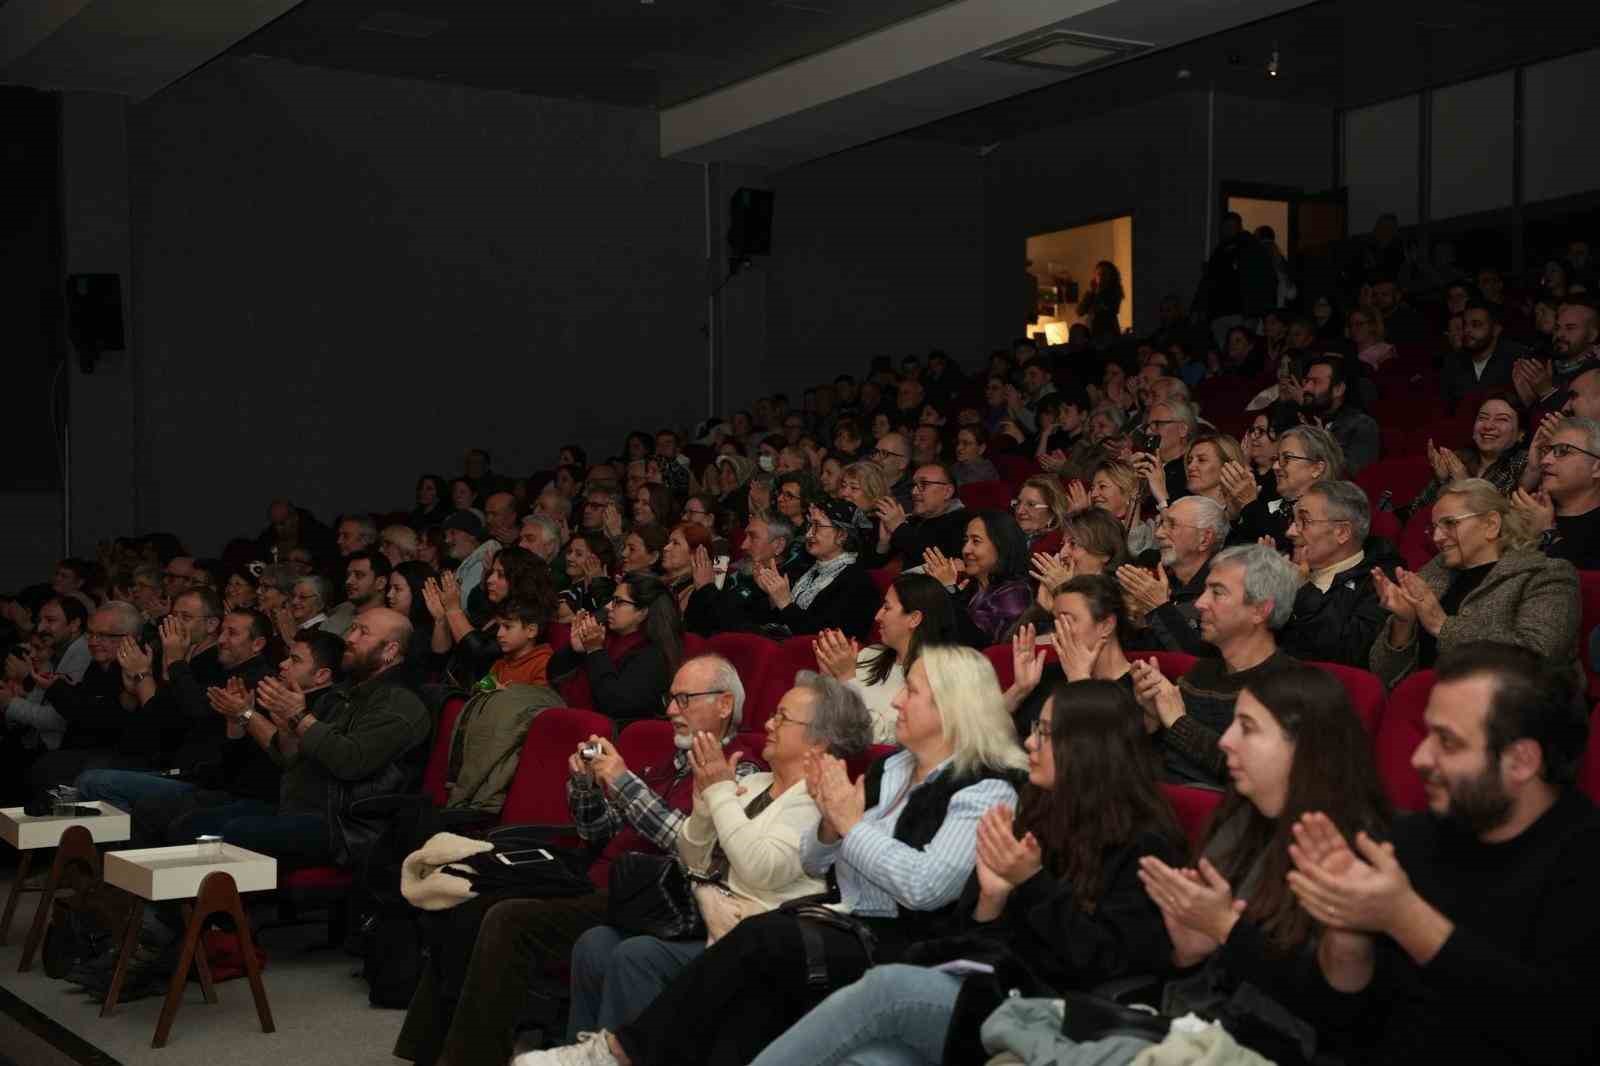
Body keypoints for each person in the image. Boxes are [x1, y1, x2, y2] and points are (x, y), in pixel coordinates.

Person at [527, 646, 1026, 1066]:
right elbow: (818, 860)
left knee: (758, 939)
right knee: (742, 994)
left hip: (911, 946)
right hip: (845, 922)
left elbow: (923, 887)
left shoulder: (985, 789)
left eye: (912, 690)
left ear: (952, 706)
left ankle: (619, 1051)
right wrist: (832, 828)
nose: (895, 700)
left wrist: (848, 827)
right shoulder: (893, 769)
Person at [745, 678, 1186, 1066]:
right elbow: (982, 942)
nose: (1030, 743)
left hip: (1056, 1014)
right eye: (1034, 730)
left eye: (1046, 734)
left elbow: (1104, 965)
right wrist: (991, 903)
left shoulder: (1146, 845)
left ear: (1089, 749)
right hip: (997, 991)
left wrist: (1031, 884)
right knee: (873, 1060)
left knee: (887, 987)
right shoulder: (1038, 813)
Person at [395, 656, 763, 1066]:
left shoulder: (742, 770)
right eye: (671, 699)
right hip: (598, 879)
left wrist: (623, 782)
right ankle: (423, 1051)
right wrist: (587, 787)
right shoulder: (671, 762)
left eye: (684, 699)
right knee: (470, 897)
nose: (672, 711)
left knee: (508, 918)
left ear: (725, 704)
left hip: (654, 901)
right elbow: (597, 834)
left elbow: (693, 846)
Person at [1287, 641, 1600, 1066]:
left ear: (1522, 761)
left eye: (1447, 742)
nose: (1419, 757)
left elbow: (1560, 1033)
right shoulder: (1412, 836)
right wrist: (1347, 928)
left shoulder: (1583, 861)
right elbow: (1344, 1024)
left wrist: (1404, 917)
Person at [565, 672, 873, 1040]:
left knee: (637, 957)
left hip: (752, 938)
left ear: (819, 742)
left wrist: (721, 792)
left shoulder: (819, 801)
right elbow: (693, 858)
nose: (768, 723)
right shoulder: (755, 784)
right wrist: (704, 804)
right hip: (704, 918)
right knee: (594, 944)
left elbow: (760, 870)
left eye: (782, 718)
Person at [1137, 665, 1390, 1065]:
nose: (1225, 741)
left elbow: (1342, 1018)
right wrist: (1187, 956)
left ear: (1304, 746)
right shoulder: (1241, 817)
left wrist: (1226, 930)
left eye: (1248, 728)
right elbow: (1193, 984)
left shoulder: (1357, 851)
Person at [1371, 478, 1579, 689]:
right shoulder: (1433, 572)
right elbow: (1383, 675)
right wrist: (1403, 622)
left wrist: (1441, 624)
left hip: (1509, 713)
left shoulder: (1545, 574)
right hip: (1426, 704)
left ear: (1491, 524)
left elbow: (1537, 657)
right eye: (1433, 527)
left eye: (1450, 523)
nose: (1437, 537)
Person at [1132, 544, 1303, 786]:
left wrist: (1178, 722)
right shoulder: (1199, 674)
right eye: (1205, 591)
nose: (1200, 603)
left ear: (1259, 610)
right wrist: (1151, 721)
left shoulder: (1293, 686)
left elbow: (1262, 779)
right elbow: (1161, 767)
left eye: (1217, 592)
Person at [810, 573, 959, 742]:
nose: (877, 616)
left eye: (887, 608)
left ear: (914, 619)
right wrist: (828, 678)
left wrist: (846, 679)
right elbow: (820, 717)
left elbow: (882, 739)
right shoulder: (870, 654)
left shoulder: (934, 678)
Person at [1278, 479, 1403, 668]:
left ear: (1342, 533)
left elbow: (1348, 654)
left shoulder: (1380, 584)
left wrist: (1304, 592)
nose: (1291, 532)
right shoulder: (1288, 567)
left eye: (1304, 521)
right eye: (1293, 520)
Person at [1005, 573, 1138, 738]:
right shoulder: (1048, 675)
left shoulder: (1138, 688)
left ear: (1106, 626)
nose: (1058, 631)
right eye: (1056, 622)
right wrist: (1019, 690)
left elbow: (1106, 753)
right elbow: (986, 737)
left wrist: (1079, 681)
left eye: (1067, 621)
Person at [549, 574, 683, 725]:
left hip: (610, 738)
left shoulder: (653, 655)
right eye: (611, 600)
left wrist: (595, 651)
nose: (608, 607)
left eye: (618, 602)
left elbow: (614, 704)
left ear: (642, 613)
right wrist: (575, 650)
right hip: (574, 720)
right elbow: (553, 675)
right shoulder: (602, 636)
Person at [1117, 495, 1230, 656]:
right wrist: (1137, 619)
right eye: (1162, 524)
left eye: (1172, 525)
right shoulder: (1159, 584)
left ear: (1204, 539)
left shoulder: (1222, 592)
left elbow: (1201, 663)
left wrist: (1159, 607)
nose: (1159, 533)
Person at [754, 500, 879, 640]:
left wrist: (785, 603)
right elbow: (777, 622)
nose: (808, 534)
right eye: (809, 525)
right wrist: (772, 595)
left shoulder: (857, 582)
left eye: (817, 526)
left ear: (842, 535)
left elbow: (824, 637)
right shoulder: (805, 567)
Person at [1399, 395, 1527, 524]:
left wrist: (1465, 484)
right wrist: (1441, 481)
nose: (1488, 426)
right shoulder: (1458, 459)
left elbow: (1504, 524)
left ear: (1521, 434)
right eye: (1482, 418)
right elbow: (1415, 512)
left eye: (1501, 420)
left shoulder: (1522, 464)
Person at [924, 511, 1032, 647]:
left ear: (1001, 545)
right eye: (966, 541)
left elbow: (976, 646)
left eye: (976, 541)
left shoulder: (1015, 594)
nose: (965, 549)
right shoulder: (970, 586)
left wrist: (949, 591)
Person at [683, 516, 803, 637]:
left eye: (753, 537)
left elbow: (737, 631)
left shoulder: (785, 585)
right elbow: (694, 624)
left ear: (779, 545)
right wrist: (701, 588)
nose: (743, 545)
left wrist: (706, 588)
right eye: (746, 537)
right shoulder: (740, 576)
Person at [1233, 425, 1343, 549]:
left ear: (1317, 468)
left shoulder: (1330, 514)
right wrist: (1233, 514)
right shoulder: (1268, 505)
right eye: (1276, 459)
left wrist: (1250, 505)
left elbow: (1287, 545)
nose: (1275, 467)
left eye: (1287, 458)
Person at [1514, 415, 1600, 569]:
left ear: (1597, 468)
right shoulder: (1532, 507)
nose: (1545, 460)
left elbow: (1583, 586)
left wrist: (1546, 532)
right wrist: (1531, 473)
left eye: (1563, 451)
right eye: (1547, 450)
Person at [867, 462, 967, 573]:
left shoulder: (965, 521)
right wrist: (884, 543)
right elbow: (873, 567)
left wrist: (898, 527)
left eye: (923, 484)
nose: (914, 492)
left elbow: (936, 561)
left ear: (947, 492)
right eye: (913, 485)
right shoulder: (913, 521)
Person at [1302, 355, 1380, 476]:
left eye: (1316, 382)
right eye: (1306, 381)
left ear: (1338, 389)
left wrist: (1323, 444)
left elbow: (1353, 476)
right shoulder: (1301, 420)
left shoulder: (1361, 425)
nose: (1306, 388)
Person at [1443, 301, 1526, 410]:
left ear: (1496, 330)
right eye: (1465, 324)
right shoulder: (1453, 361)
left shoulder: (1517, 358)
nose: (1467, 330)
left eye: (1476, 324)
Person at [1088, 457, 1156, 557]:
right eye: (1092, 488)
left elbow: (1132, 550)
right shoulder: (1092, 526)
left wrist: (1134, 501)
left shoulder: (1148, 531)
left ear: (1128, 491)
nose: (1093, 494)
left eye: (1102, 486)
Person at [323, 550, 391, 636]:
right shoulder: (342, 608)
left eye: (359, 575)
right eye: (348, 575)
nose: (348, 581)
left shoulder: (387, 623)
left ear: (381, 583)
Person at [1009, 476, 1068, 556]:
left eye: (1031, 504)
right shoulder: (1005, 535)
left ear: (1052, 511)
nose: (1019, 511)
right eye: (1018, 503)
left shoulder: (1060, 547)